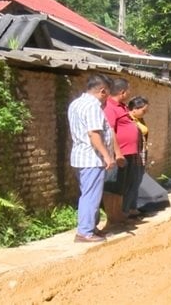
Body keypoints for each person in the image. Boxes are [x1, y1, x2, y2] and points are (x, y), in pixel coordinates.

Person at [68, 73, 117, 243]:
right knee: (91, 195)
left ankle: (91, 227)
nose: (106, 99)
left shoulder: (76, 104)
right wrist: (107, 156)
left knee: (88, 193)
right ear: (103, 91)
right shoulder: (92, 106)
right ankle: (85, 232)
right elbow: (94, 134)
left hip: (80, 157)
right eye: (107, 94)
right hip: (92, 158)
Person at [101, 77, 142, 231]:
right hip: (120, 155)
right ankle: (112, 219)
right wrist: (118, 154)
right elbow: (111, 131)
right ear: (122, 92)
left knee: (122, 187)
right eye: (128, 90)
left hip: (129, 154)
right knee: (113, 187)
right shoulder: (110, 107)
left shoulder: (122, 107)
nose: (130, 93)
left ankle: (119, 216)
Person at [125, 95, 150, 216]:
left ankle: (133, 208)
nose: (144, 113)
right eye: (143, 110)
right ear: (134, 108)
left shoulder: (139, 119)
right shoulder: (127, 120)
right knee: (132, 181)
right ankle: (127, 209)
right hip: (133, 155)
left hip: (141, 153)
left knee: (138, 180)